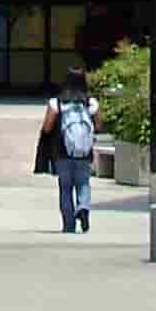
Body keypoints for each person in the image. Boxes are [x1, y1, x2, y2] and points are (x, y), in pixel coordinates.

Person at [42, 70, 97, 233]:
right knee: (83, 184)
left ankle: (69, 224)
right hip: (85, 153)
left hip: (62, 153)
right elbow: (100, 125)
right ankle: (83, 207)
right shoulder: (90, 103)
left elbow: (47, 127)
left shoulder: (56, 103)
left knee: (65, 188)